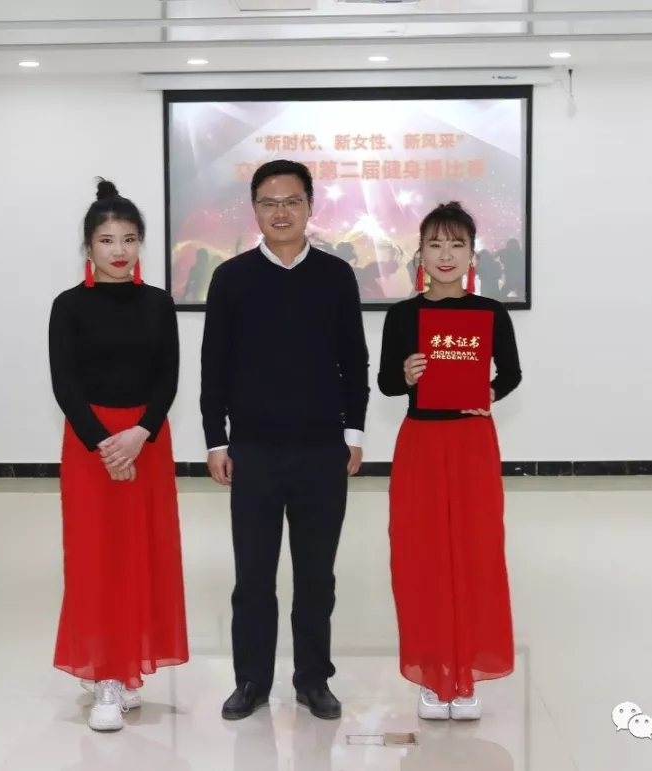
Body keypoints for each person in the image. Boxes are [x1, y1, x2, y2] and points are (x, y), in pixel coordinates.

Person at [200, 159, 370, 722]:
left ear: (310, 207)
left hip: (322, 450)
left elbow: (355, 361)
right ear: (254, 209)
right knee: (253, 576)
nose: (281, 212)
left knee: (317, 577)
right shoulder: (231, 278)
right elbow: (213, 366)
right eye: (269, 203)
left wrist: (353, 431)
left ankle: (313, 679)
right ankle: (251, 680)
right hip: (253, 451)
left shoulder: (336, 275)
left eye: (292, 201)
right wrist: (216, 440)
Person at [48, 178, 189, 732]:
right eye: (107, 240)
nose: (119, 250)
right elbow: (65, 384)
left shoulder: (158, 303)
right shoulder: (68, 306)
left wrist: (140, 433)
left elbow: (168, 377)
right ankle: (105, 673)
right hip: (91, 448)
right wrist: (106, 444)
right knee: (96, 556)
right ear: (89, 246)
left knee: (143, 553)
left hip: (146, 443)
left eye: (129, 239)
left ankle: (131, 666)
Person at [377, 201, 522, 721]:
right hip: (421, 444)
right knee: (422, 556)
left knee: (475, 552)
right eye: (435, 244)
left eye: (456, 244)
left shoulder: (490, 313)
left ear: (471, 254)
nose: (445, 254)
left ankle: (466, 675)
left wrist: (488, 392)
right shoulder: (402, 315)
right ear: (420, 252)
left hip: (472, 443)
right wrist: (407, 374)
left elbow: (511, 374)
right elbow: (386, 384)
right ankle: (433, 673)